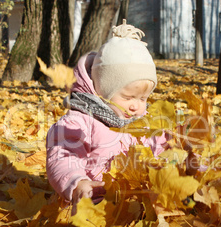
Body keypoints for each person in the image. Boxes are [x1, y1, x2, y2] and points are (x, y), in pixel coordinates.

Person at [46, 20, 170, 209]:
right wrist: (76, 182)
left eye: (143, 98)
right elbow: (63, 156)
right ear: (102, 91)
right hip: (94, 203)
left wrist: (176, 156)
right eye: (128, 97)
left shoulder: (144, 123)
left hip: (134, 200)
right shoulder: (80, 122)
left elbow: (160, 148)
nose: (136, 105)